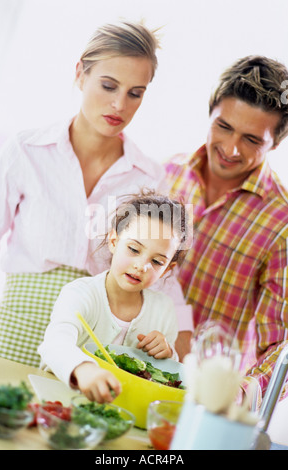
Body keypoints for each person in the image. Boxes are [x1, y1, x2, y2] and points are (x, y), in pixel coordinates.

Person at [0, 21, 192, 368]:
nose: (119, 104)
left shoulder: (149, 176)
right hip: (15, 330)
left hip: (94, 341)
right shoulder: (26, 150)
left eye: (135, 92)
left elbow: (160, 266)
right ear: (81, 73)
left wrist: (181, 344)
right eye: (109, 85)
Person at [165, 55, 288, 407]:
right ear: (210, 112)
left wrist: (238, 394)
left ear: (275, 144)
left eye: (252, 139)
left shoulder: (282, 223)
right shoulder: (166, 173)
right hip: (131, 369)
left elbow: (281, 348)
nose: (231, 149)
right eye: (224, 127)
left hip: (204, 403)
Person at [38, 191, 191, 403]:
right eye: (134, 249)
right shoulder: (81, 293)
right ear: (113, 241)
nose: (141, 266)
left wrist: (168, 354)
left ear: (167, 270)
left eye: (156, 262)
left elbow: (166, 374)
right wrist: (83, 370)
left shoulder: (164, 310)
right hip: (61, 403)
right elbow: (55, 344)